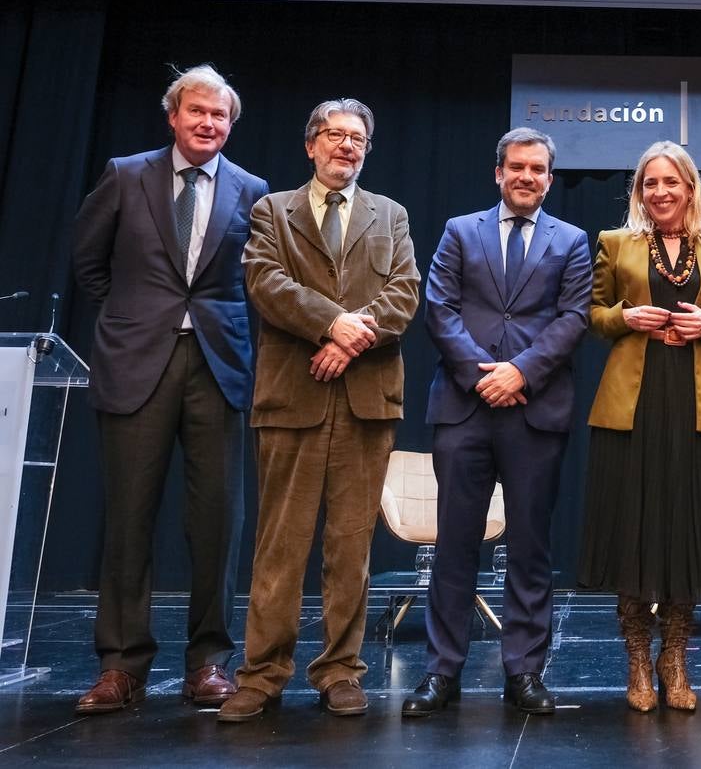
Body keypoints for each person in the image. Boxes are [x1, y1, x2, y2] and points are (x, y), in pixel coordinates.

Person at [71, 65, 268, 715]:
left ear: (230, 124)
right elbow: (88, 262)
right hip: (137, 363)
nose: (209, 124)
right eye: (198, 113)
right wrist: (135, 318)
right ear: (173, 116)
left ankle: (209, 661)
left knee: (217, 519)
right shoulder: (127, 174)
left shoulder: (251, 189)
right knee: (129, 516)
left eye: (220, 116)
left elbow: (255, 281)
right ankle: (121, 665)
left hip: (217, 364)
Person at [217, 98, 419, 722]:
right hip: (292, 395)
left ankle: (340, 671)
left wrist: (352, 339)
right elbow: (265, 283)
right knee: (279, 544)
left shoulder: (391, 215)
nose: (346, 146)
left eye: (357, 137)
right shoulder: (271, 210)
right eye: (334, 135)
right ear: (311, 144)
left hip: (365, 398)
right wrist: (334, 325)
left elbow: (405, 291)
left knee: (350, 546)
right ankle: (261, 673)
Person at [402, 128, 591, 718]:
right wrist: (482, 375)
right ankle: (441, 672)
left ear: (549, 179)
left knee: (530, 547)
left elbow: (573, 317)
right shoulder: (461, 231)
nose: (526, 177)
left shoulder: (573, 240)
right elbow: (439, 308)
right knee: (454, 544)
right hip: (465, 406)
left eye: (537, 169)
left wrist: (520, 374)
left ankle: (524, 671)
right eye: (516, 167)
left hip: (535, 410)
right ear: (498, 173)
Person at [577, 140, 701, 713]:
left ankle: (673, 661)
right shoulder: (614, 243)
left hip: (696, 408)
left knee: (685, 537)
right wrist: (624, 316)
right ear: (639, 191)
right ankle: (635, 664)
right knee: (632, 534)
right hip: (632, 406)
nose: (661, 192)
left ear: (691, 188)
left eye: (672, 182)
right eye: (651, 183)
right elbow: (593, 315)